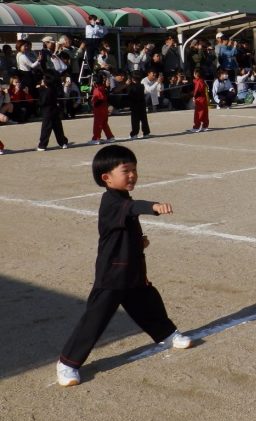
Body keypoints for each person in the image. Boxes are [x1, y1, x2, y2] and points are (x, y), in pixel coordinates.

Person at [56, 145, 191, 387]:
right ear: (106, 178)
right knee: (96, 318)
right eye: (126, 170)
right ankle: (68, 363)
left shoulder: (122, 198)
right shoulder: (112, 201)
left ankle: (167, 334)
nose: (133, 175)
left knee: (149, 304)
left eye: (135, 170)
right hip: (112, 274)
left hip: (132, 268)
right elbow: (131, 209)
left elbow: (123, 228)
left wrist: (139, 242)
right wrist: (154, 207)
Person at [36, 72, 70, 151]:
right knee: (58, 128)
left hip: (48, 112)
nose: (42, 80)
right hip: (55, 110)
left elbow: (42, 102)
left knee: (46, 129)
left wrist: (40, 90)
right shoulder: (54, 88)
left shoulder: (46, 91)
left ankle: (42, 145)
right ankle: (63, 143)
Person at [90, 72, 115, 145]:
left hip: (99, 110)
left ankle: (96, 138)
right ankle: (110, 137)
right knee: (104, 124)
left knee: (98, 124)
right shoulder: (103, 88)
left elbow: (100, 99)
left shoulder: (98, 89)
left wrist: (93, 102)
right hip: (104, 109)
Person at [127, 72, 150, 139]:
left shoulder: (132, 87)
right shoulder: (141, 86)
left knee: (135, 121)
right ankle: (146, 133)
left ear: (133, 79)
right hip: (142, 105)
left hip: (135, 106)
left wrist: (128, 85)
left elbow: (129, 94)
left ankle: (134, 134)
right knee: (144, 119)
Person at [188, 68, 210, 132]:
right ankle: (205, 126)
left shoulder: (199, 82)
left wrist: (194, 97)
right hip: (204, 98)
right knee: (205, 113)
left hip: (200, 99)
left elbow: (197, 91)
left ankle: (196, 127)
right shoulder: (202, 81)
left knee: (198, 113)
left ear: (196, 74)